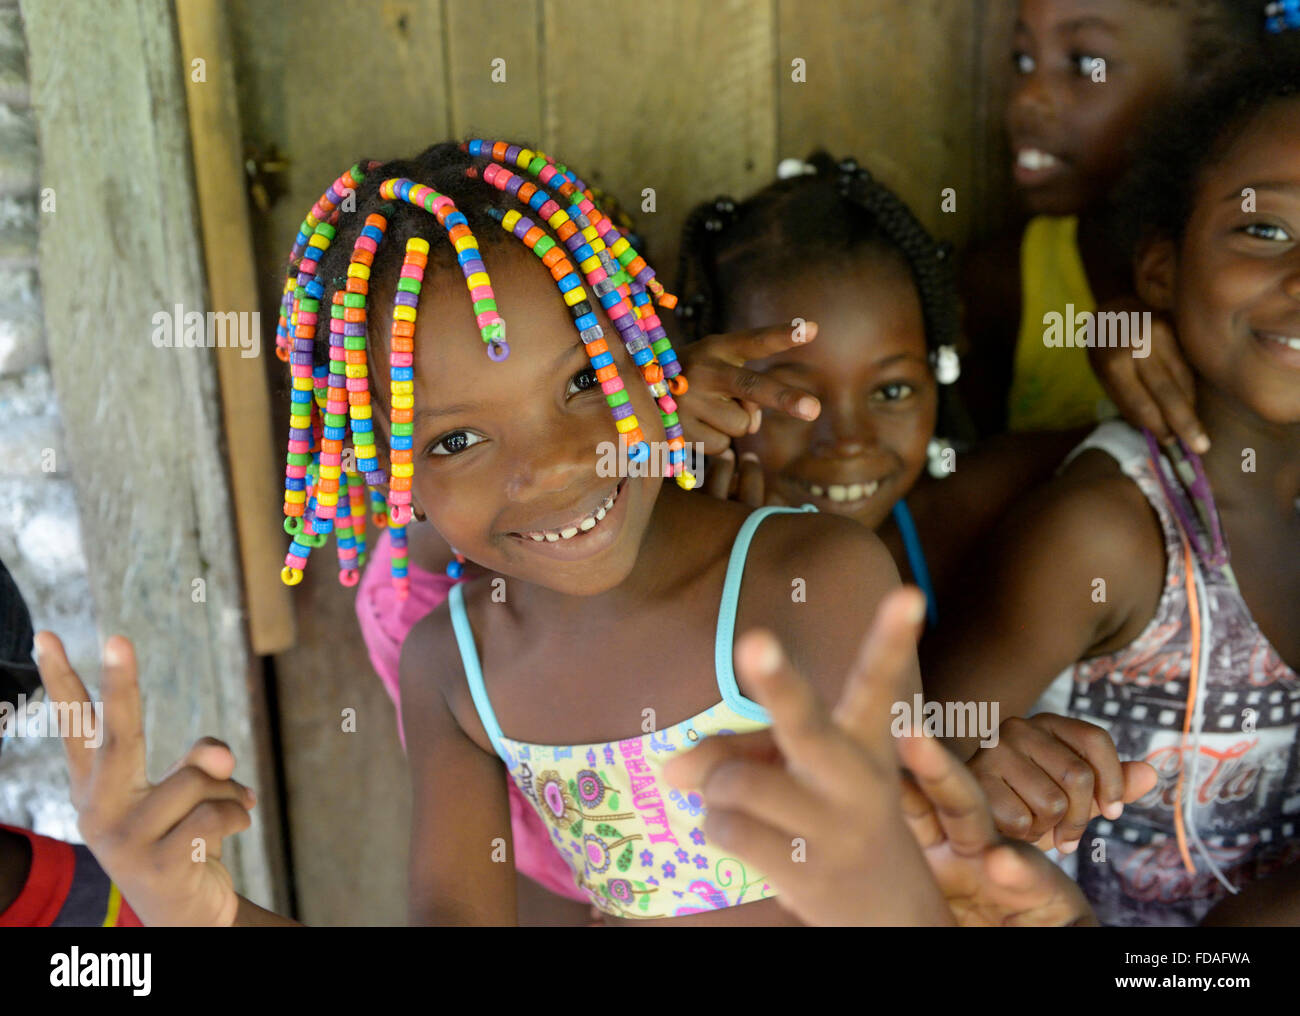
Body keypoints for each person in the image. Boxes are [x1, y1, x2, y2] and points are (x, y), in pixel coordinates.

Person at [930, 58, 1300, 925]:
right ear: (1161, 271)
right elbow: (920, 773)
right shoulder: (1112, 531)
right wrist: (988, 780)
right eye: (1264, 231)